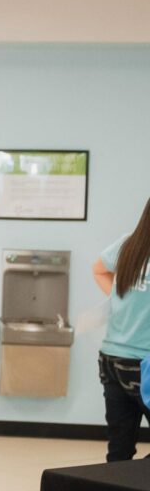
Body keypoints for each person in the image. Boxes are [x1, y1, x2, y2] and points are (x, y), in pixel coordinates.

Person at [93, 195, 150, 462]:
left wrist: (117, 301)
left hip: (112, 360)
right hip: (144, 362)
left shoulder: (130, 244)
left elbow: (99, 270)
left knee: (119, 449)